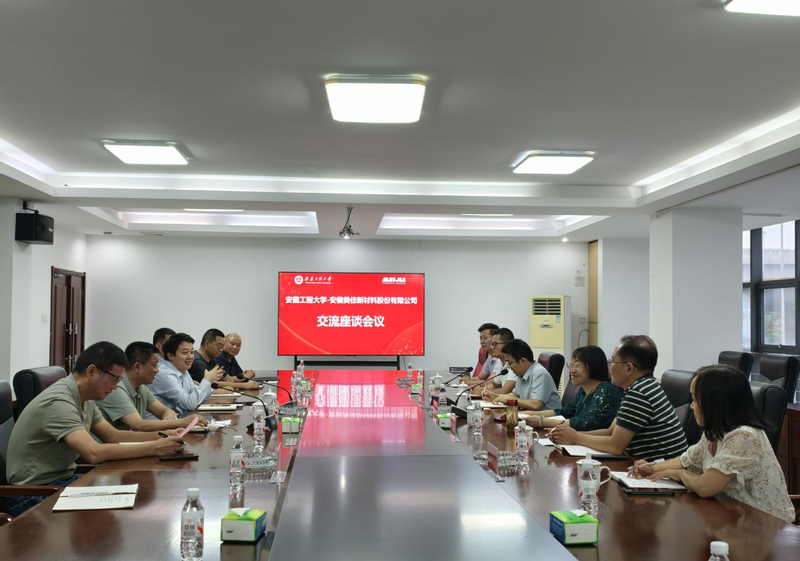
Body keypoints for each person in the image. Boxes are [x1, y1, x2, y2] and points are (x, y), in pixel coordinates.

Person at [5, 342, 184, 516]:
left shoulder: (86, 397)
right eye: (115, 379)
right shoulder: (59, 402)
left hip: (63, 481)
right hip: (33, 494)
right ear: (91, 371)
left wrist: (161, 435)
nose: (116, 387)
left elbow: (113, 435)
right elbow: (93, 453)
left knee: (130, 500)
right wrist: (154, 448)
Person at [631, 364, 795, 523]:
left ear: (715, 402)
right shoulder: (715, 432)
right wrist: (653, 468)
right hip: (731, 517)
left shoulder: (745, 437)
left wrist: (679, 474)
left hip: (764, 527)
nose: (691, 406)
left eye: (695, 399)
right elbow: (686, 461)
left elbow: (705, 487)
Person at [550, 335, 687, 462]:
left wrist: (576, 437)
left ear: (628, 368)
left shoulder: (639, 393)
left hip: (663, 473)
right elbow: (610, 432)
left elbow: (615, 446)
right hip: (645, 466)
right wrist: (571, 434)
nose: (609, 367)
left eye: (613, 361)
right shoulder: (642, 386)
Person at [96, 341, 208, 431]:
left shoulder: (141, 388)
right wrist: (181, 422)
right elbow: (138, 425)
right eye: (154, 365)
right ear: (137, 367)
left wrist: (169, 420)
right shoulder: (116, 388)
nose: (157, 370)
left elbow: (165, 411)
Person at [531, 346, 622, 430]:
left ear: (593, 366)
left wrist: (542, 422)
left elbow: (585, 423)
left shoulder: (605, 391)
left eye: (577, 366)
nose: (572, 371)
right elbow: (565, 412)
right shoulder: (583, 390)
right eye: (570, 365)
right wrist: (528, 415)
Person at [148, 332, 222, 416]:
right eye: (185, 352)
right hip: (161, 422)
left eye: (192, 352)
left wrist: (206, 383)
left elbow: (198, 401)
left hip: (179, 419)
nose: (190, 357)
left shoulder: (183, 371)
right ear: (170, 355)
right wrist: (206, 380)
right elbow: (190, 404)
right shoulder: (165, 375)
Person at [490, 339, 561, 410]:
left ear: (523, 361)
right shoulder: (522, 373)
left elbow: (536, 405)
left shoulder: (539, 373)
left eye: (510, 363)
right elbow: (515, 395)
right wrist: (497, 397)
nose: (509, 367)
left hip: (547, 416)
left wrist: (509, 399)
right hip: (529, 414)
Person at [190, 329, 258, 390]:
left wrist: (245, 377)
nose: (221, 349)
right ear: (207, 343)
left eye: (222, 346)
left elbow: (228, 379)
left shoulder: (213, 360)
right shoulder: (195, 361)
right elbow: (212, 384)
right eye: (219, 345)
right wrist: (245, 385)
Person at [481, 327, 516, 397]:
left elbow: (505, 391)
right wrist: (482, 390)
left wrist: (483, 392)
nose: (492, 347)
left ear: (507, 344)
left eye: (495, 344)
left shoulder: (514, 363)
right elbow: (494, 385)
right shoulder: (502, 364)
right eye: (492, 344)